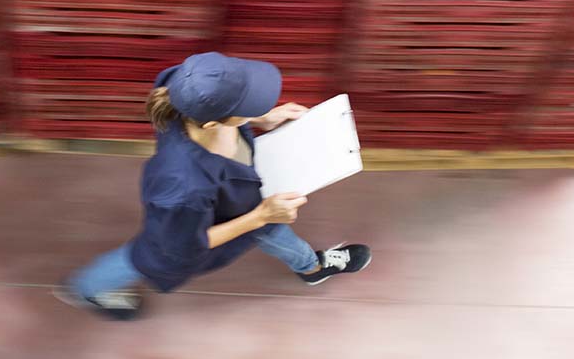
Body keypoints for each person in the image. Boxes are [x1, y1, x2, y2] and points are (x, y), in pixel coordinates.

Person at [57, 52, 371, 320]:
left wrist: (263, 117)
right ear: (212, 123)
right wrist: (260, 214)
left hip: (238, 198)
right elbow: (187, 244)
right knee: (143, 258)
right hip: (189, 229)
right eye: (247, 106)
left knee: (271, 230)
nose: (257, 106)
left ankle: (311, 267)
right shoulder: (181, 187)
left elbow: (224, 109)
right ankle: (85, 289)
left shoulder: (184, 86)